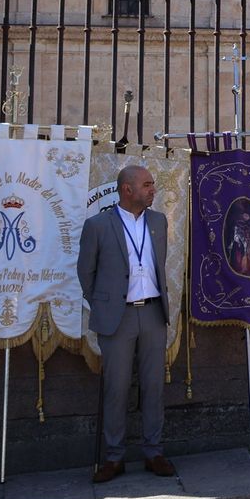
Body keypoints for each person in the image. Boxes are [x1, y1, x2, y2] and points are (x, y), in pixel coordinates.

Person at [77, 164, 176, 482]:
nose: (152, 190)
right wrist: (103, 305)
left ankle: (154, 451)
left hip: (153, 313)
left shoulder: (158, 222)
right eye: (147, 185)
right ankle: (114, 456)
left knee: (153, 386)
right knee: (116, 388)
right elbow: (85, 272)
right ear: (127, 189)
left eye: (153, 184)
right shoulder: (98, 225)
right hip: (118, 317)